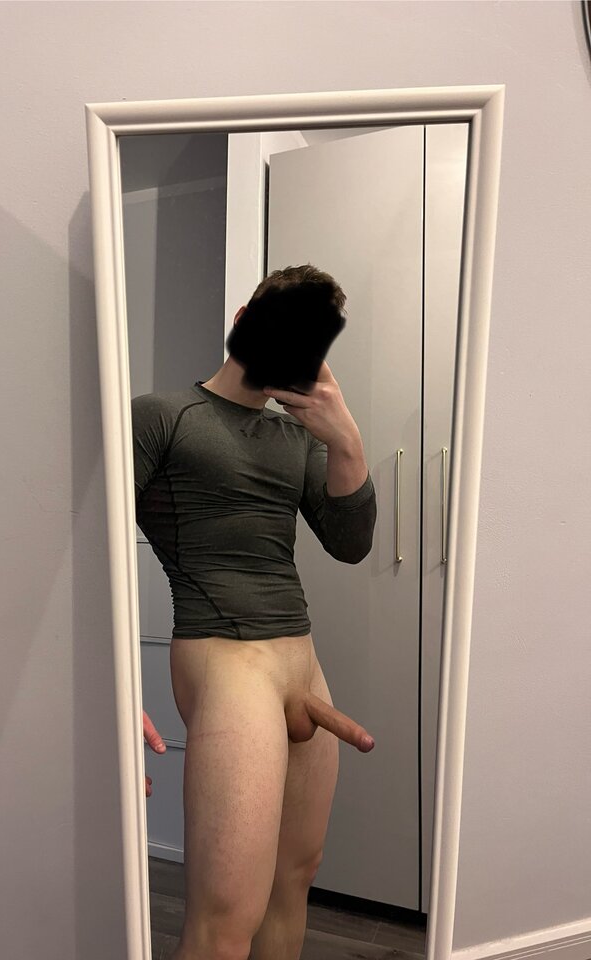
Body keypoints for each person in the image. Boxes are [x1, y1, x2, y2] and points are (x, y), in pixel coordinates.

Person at [133, 264, 377, 960]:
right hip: (226, 661)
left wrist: (346, 439)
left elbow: (351, 544)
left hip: (304, 664)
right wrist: (108, 684)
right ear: (243, 320)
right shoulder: (161, 416)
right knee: (225, 920)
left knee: (292, 882)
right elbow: (83, 553)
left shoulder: (299, 439)